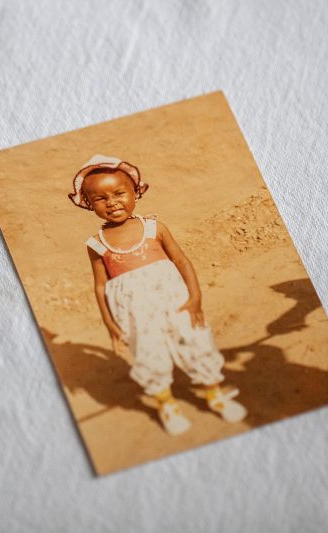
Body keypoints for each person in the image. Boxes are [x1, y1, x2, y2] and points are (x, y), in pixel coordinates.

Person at [68, 155, 247, 435]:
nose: (112, 202)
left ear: (136, 192)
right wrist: (109, 324)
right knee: (149, 355)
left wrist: (195, 297)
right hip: (135, 312)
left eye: (119, 193)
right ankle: (167, 405)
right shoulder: (96, 245)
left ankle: (215, 394)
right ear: (88, 204)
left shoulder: (155, 229)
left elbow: (182, 262)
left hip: (175, 302)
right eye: (100, 198)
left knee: (195, 342)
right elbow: (100, 285)